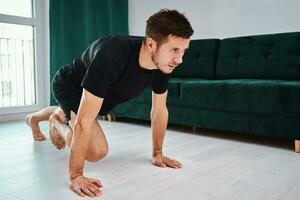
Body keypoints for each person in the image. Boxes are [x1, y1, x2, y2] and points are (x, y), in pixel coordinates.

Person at [25, 9, 193, 197]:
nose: (179, 59)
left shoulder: (163, 65)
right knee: (96, 151)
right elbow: (83, 122)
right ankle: (57, 122)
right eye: (174, 50)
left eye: (183, 51)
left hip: (100, 97)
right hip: (71, 88)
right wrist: (76, 176)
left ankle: (45, 116)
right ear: (151, 44)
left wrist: (157, 153)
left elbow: (159, 110)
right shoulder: (112, 54)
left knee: (78, 117)